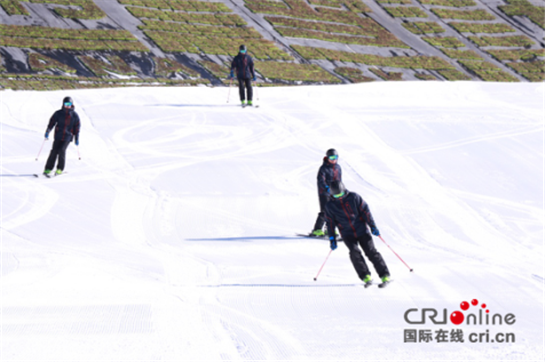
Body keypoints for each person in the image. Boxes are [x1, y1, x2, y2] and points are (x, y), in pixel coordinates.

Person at [324, 180, 391, 285]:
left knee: (371, 251)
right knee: (354, 253)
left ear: (344, 190)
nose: (340, 197)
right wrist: (332, 239)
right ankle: (365, 276)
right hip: (347, 234)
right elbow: (330, 223)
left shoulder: (354, 197)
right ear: (332, 195)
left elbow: (366, 212)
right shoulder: (330, 206)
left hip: (362, 230)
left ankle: (384, 275)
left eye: (341, 194)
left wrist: (372, 226)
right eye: (337, 196)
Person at [43, 96, 80, 176]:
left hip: (68, 136)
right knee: (54, 151)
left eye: (69, 104)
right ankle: (48, 168)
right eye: (66, 104)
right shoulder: (58, 113)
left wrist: (76, 138)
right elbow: (52, 122)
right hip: (58, 135)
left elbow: (77, 127)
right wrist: (48, 131)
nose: (67, 105)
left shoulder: (74, 115)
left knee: (62, 150)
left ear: (71, 104)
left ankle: (60, 168)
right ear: (63, 104)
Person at [311, 148, 342, 236]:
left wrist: (341, 189)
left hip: (335, 193)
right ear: (327, 158)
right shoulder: (323, 168)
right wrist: (326, 188)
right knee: (325, 211)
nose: (333, 160)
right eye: (331, 158)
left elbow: (339, 180)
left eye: (335, 157)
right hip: (324, 193)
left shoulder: (338, 168)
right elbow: (320, 180)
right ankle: (317, 230)